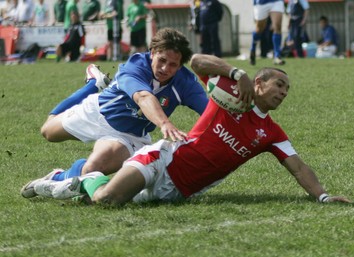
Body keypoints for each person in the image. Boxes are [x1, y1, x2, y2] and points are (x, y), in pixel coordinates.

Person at [23, 53, 351, 207]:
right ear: (260, 82)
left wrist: (322, 195)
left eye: (287, 89)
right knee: (107, 198)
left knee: (103, 202)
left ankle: (69, 178)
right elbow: (196, 61)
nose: (283, 91)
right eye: (279, 84)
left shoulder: (272, 133)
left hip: (178, 191)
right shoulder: (230, 91)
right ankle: (76, 179)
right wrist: (236, 72)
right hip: (161, 160)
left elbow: (298, 167)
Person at [22, 29, 252, 199]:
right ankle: (93, 84)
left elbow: (209, 113)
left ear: (180, 65)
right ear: (152, 53)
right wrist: (164, 123)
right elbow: (143, 97)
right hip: (97, 111)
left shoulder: (185, 82)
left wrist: (240, 114)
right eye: (161, 60)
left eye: (173, 65)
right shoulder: (135, 65)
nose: (165, 68)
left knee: (93, 169)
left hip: (128, 135)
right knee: (47, 132)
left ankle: (57, 177)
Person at [250, 0, 285, 66]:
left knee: (277, 26)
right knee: (259, 29)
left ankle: (277, 56)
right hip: (261, 3)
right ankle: (253, 48)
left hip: (276, 2)